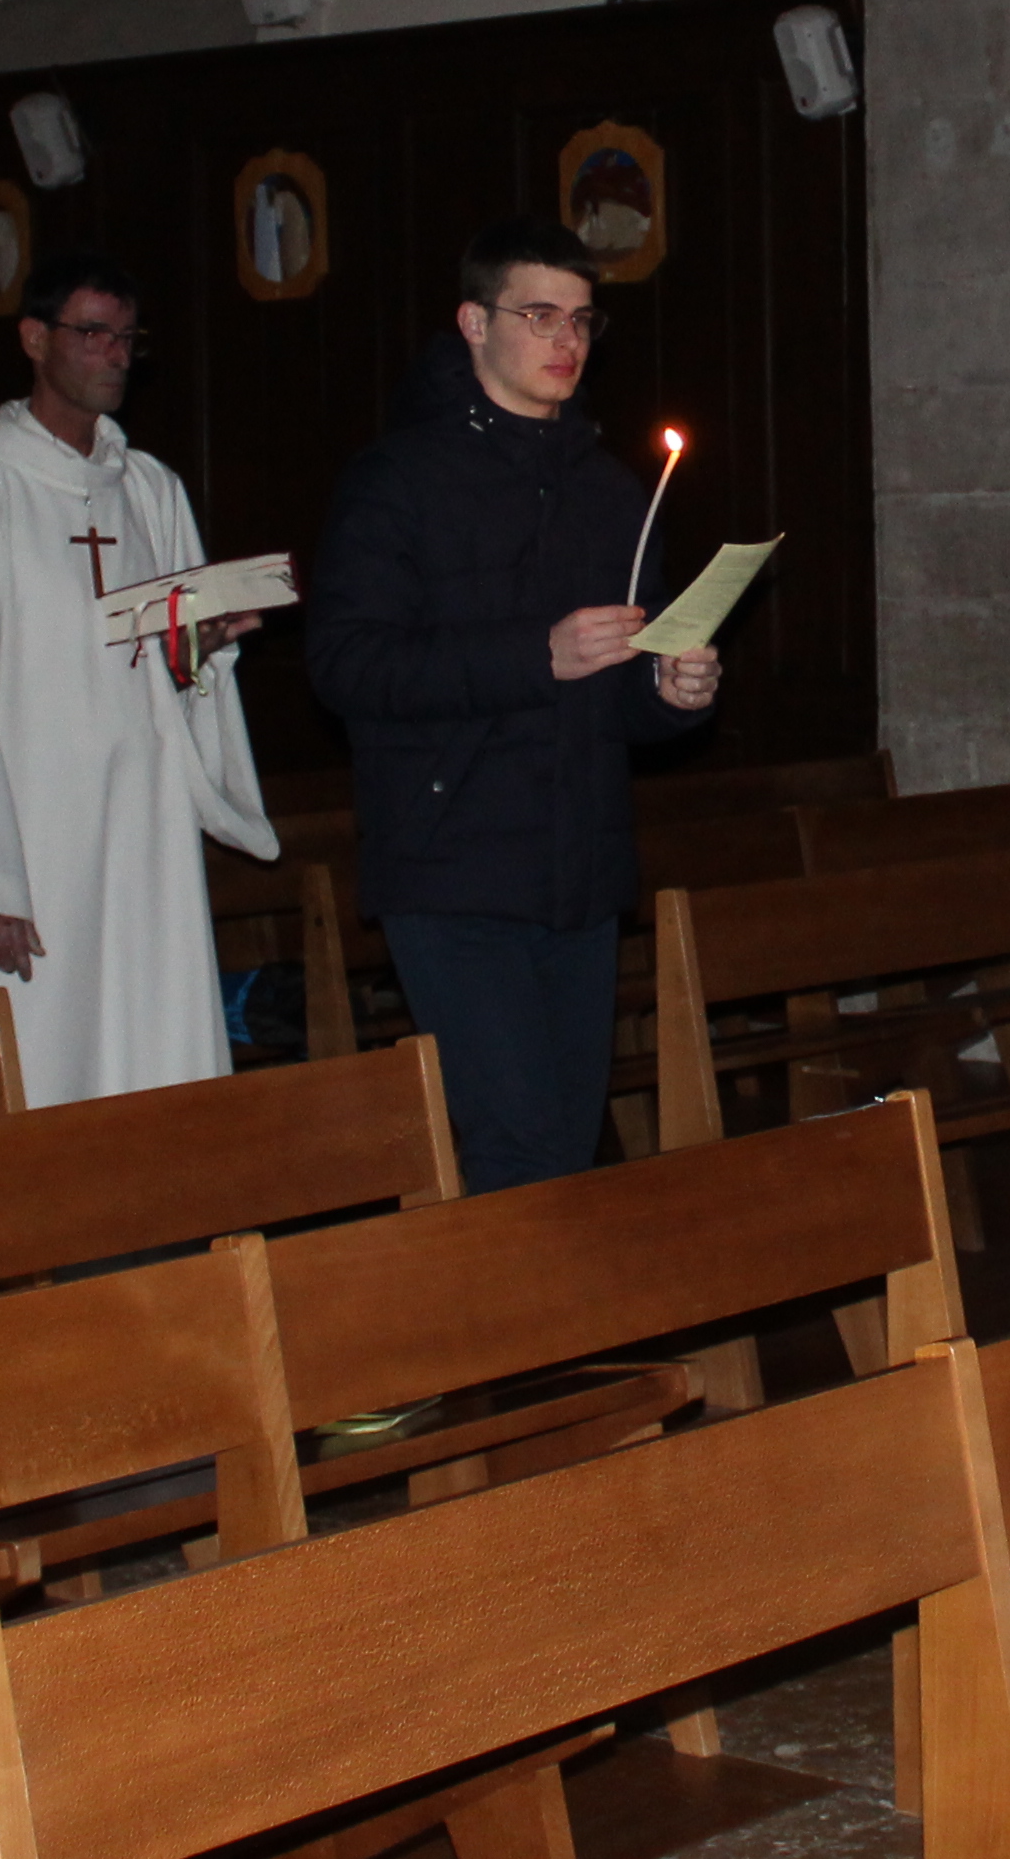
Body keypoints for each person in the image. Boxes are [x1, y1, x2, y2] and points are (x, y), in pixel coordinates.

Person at [304, 221, 723, 1193]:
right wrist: (535, 655)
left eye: (580, 319)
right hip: (453, 863)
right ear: (472, 322)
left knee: (566, 1151)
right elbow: (347, 666)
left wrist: (671, 691)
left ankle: (542, 1344)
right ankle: (506, 1346)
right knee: (515, 1151)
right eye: (539, 315)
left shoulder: (614, 494)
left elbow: (623, 693)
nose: (565, 339)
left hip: (578, 869)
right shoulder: (398, 480)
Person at [0, 258, 281, 1101]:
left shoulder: (151, 491)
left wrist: (196, 650)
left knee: (140, 1042)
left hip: (139, 828)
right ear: (33, 339)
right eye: (93, 333)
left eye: (127, 337)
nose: (117, 355)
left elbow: (160, 675)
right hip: (28, 839)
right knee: (34, 1058)